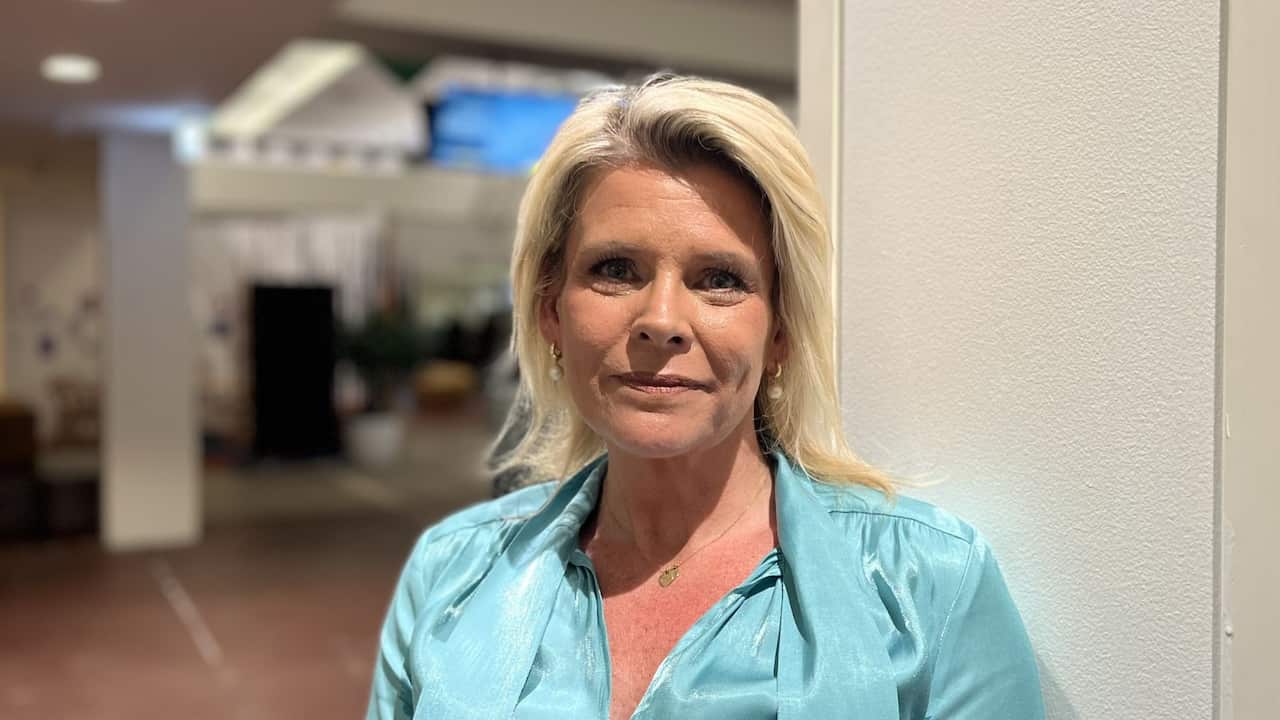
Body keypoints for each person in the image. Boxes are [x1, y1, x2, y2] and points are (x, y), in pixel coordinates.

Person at [367, 74, 1045, 720]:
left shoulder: (930, 587)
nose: (661, 319)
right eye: (614, 269)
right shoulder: (450, 575)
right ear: (551, 311)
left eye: (719, 278)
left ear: (781, 330)